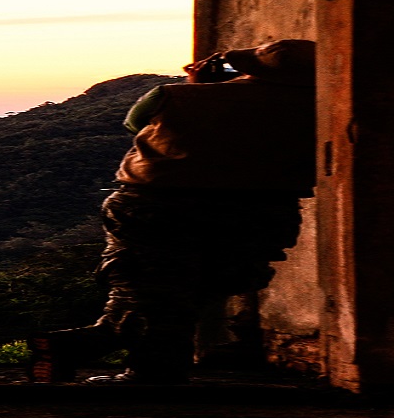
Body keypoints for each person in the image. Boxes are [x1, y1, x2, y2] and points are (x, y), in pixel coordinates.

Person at [32, 39, 318, 384]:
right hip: (255, 211)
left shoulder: (173, 95)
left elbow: (136, 125)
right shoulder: (323, 107)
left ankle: (121, 363)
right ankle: (93, 351)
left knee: (152, 293)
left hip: (156, 206)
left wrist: (199, 91)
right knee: (188, 293)